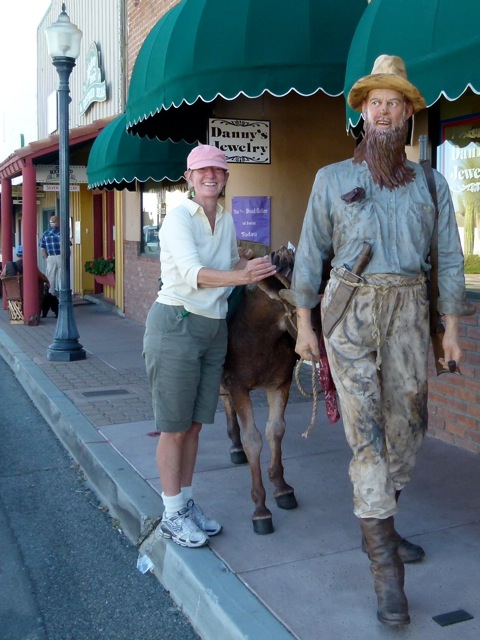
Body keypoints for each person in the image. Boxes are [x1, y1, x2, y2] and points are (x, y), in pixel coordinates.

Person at [288, 55, 472, 626]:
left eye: (395, 102)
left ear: (408, 114)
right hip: (351, 312)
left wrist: (452, 331)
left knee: (408, 427)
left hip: (411, 313)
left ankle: (381, 522)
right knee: (365, 433)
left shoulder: (433, 183)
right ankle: (386, 574)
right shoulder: (332, 179)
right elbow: (311, 253)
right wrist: (303, 325)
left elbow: (448, 259)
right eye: (375, 103)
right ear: (363, 114)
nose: (384, 111)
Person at [143, 144, 277, 548]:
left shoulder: (228, 221)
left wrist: (263, 264)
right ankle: (171, 514)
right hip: (176, 325)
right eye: (202, 171)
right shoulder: (179, 219)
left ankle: (184, 503)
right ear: (189, 177)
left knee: (196, 424)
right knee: (174, 428)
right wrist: (242, 277)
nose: (210, 176)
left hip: (212, 327)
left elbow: (232, 266)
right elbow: (192, 274)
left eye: (217, 170)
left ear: (225, 178)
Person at [39, 215, 61, 298]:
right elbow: (68, 245)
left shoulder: (45, 233)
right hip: (61, 256)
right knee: (62, 277)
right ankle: (62, 295)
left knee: (50, 276)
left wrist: (46, 257)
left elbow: (42, 247)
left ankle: (50, 294)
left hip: (51, 257)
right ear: (58, 222)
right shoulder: (62, 232)